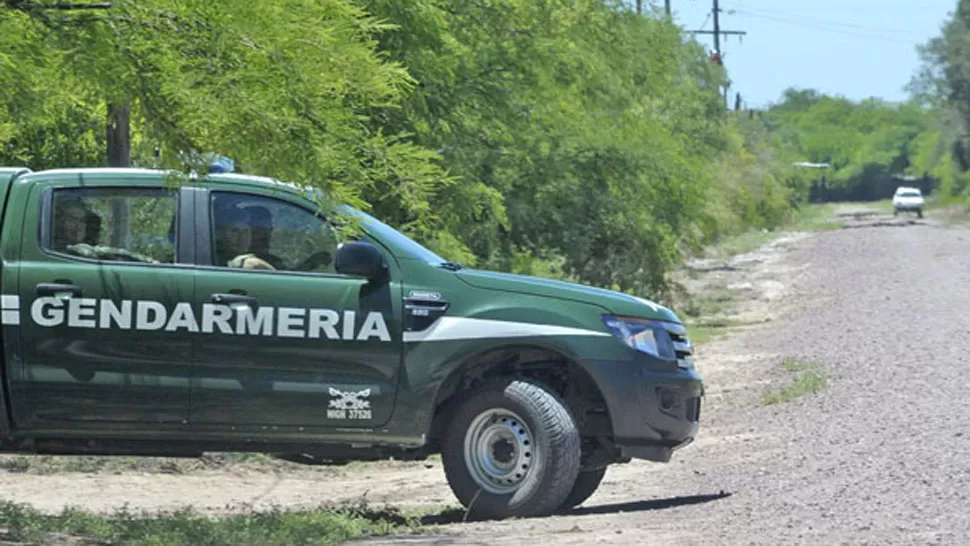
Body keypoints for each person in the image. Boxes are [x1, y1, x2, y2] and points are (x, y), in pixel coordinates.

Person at [213, 203, 276, 270]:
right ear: (221, 234)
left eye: (245, 231)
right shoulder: (215, 258)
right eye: (234, 231)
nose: (242, 237)